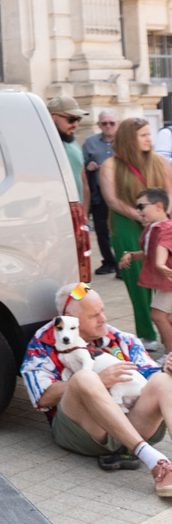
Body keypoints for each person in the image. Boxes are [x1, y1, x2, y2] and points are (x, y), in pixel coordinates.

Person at [22, 281, 172, 496]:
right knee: (85, 378)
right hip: (85, 433)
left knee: (164, 381)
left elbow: (149, 378)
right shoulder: (43, 343)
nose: (104, 319)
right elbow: (42, 397)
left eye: (102, 311)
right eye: (94, 316)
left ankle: (148, 453)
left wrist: (167, 369)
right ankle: (156, 462)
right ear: (69, 320)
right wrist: (99, 381)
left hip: (134, 424)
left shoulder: (121, 339)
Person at [101, 117, 172, 348]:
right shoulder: (110, 165)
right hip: (126, 225)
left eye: (149, 134)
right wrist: (139, 215)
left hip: (162, 224)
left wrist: (162, 218)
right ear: (129, 139)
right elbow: (112, 200)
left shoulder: (160, 161)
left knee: (164, 278)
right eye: (143, 135)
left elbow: (170, 193)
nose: (149, 139)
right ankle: (146, 334)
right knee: (138, 281)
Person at [120, 188, 172, 357]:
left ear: (158, 206)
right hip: (164, 280)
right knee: (167, 317)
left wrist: (159, 263)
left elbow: (163, 247)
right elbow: (150, 253)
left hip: (168, 280)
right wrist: (132, 255)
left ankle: (169, 353)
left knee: (158, 315)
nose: (138, 211)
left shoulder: (166, 227)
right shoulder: (151, 228)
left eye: (141, 206)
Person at [83, 109, 119, 276]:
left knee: (118, 230)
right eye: (104, 123)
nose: (108, 126)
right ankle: (109, 262)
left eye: (112, 123)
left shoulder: (123, 142)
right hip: (99, 194)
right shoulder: (90, 142)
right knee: (101, 229)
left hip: (119, 194)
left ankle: (122, 263)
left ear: (117, 124)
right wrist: (89, 164)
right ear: (98, 125)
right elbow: (82, 164)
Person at [48, 95, 88, 203]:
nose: (76, 124)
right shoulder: (42, 148)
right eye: (71, 119)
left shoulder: (74, 145)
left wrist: (84, 215)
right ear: (52, 117)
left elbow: (83, 182)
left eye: (78, 119)